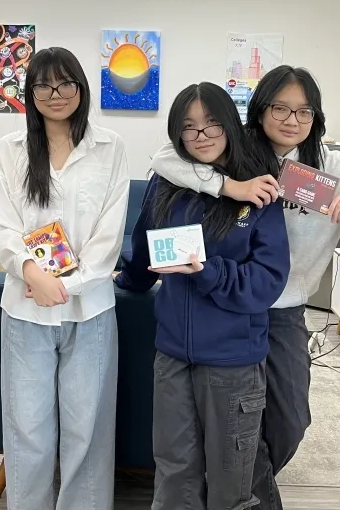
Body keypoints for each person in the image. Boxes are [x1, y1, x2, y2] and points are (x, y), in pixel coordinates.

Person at [149, 65, 340, 509]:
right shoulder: (238, 152)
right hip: (229, 304)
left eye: (304, 111)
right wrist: (230, 185)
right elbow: (165, 159)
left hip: (284, 308)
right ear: (260, 110)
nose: (292, 120)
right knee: (229, 424)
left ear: (316, 116)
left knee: (289, 419)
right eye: (280, 108)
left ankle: (239, 484)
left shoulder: (331, 166)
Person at [116, 82, 291, 510]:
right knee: (174, 473)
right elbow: (143, 249)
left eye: (212, 123)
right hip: (172, 356)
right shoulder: (165, 184)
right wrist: (124, 283)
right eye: (189, 126)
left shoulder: (258, 192)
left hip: (233, 360)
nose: (201, 135)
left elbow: (267, 281)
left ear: (230, 124)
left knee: (231, 481)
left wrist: (208, 271)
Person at [0, 47, 129, 510]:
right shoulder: (8, 150)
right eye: (43, 85)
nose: (55, 93)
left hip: (91, 309)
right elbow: (2, 226)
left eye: (66, 83)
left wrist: (66, 285)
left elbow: (109, 234)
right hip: (25, 308)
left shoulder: (110, 147)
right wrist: (31, 271)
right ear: (30, 93)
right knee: (27, 429)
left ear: (81, 88)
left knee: (88, 429)